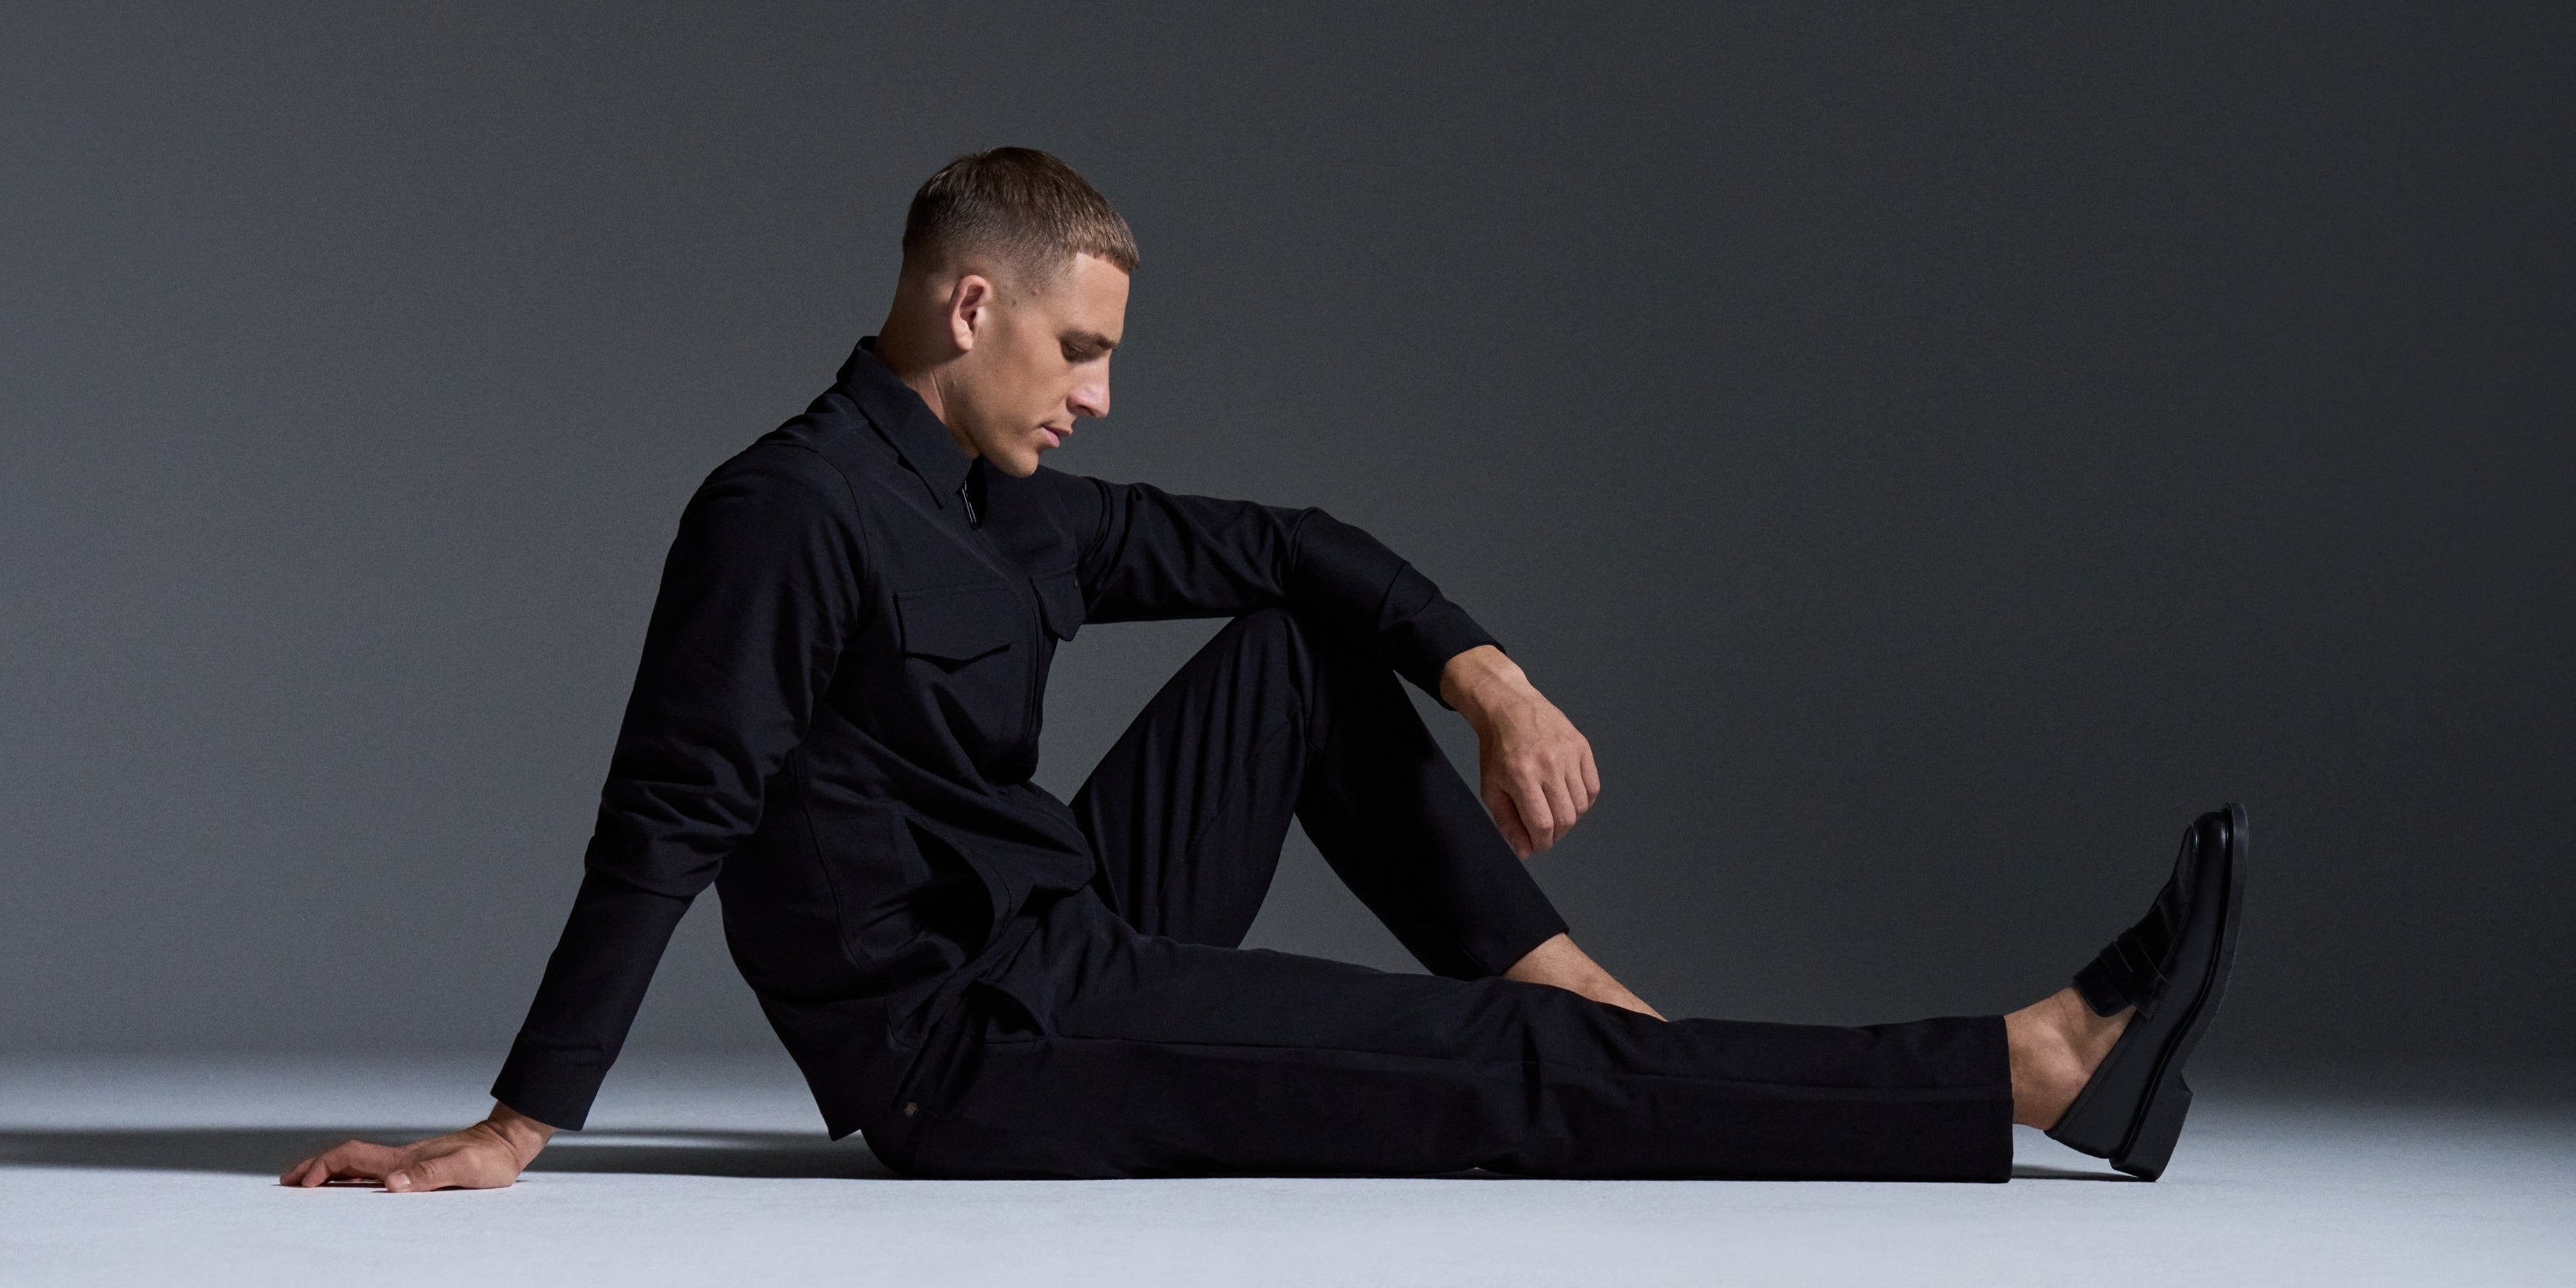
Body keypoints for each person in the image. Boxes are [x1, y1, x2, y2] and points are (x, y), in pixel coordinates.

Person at [280, 147, 2244, 1191]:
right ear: (969, 304)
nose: (1098, 394)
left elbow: (1291, 548)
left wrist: (1488, 676)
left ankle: (1587, 998)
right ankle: (2013, 1071)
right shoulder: (784, 511)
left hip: (1062, 926)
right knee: (1497, 1078)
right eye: (1078, 351)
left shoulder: (1008, 504)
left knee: (1301, 652)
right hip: (980, 1052)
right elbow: (672, 811)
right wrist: (522, 1119)